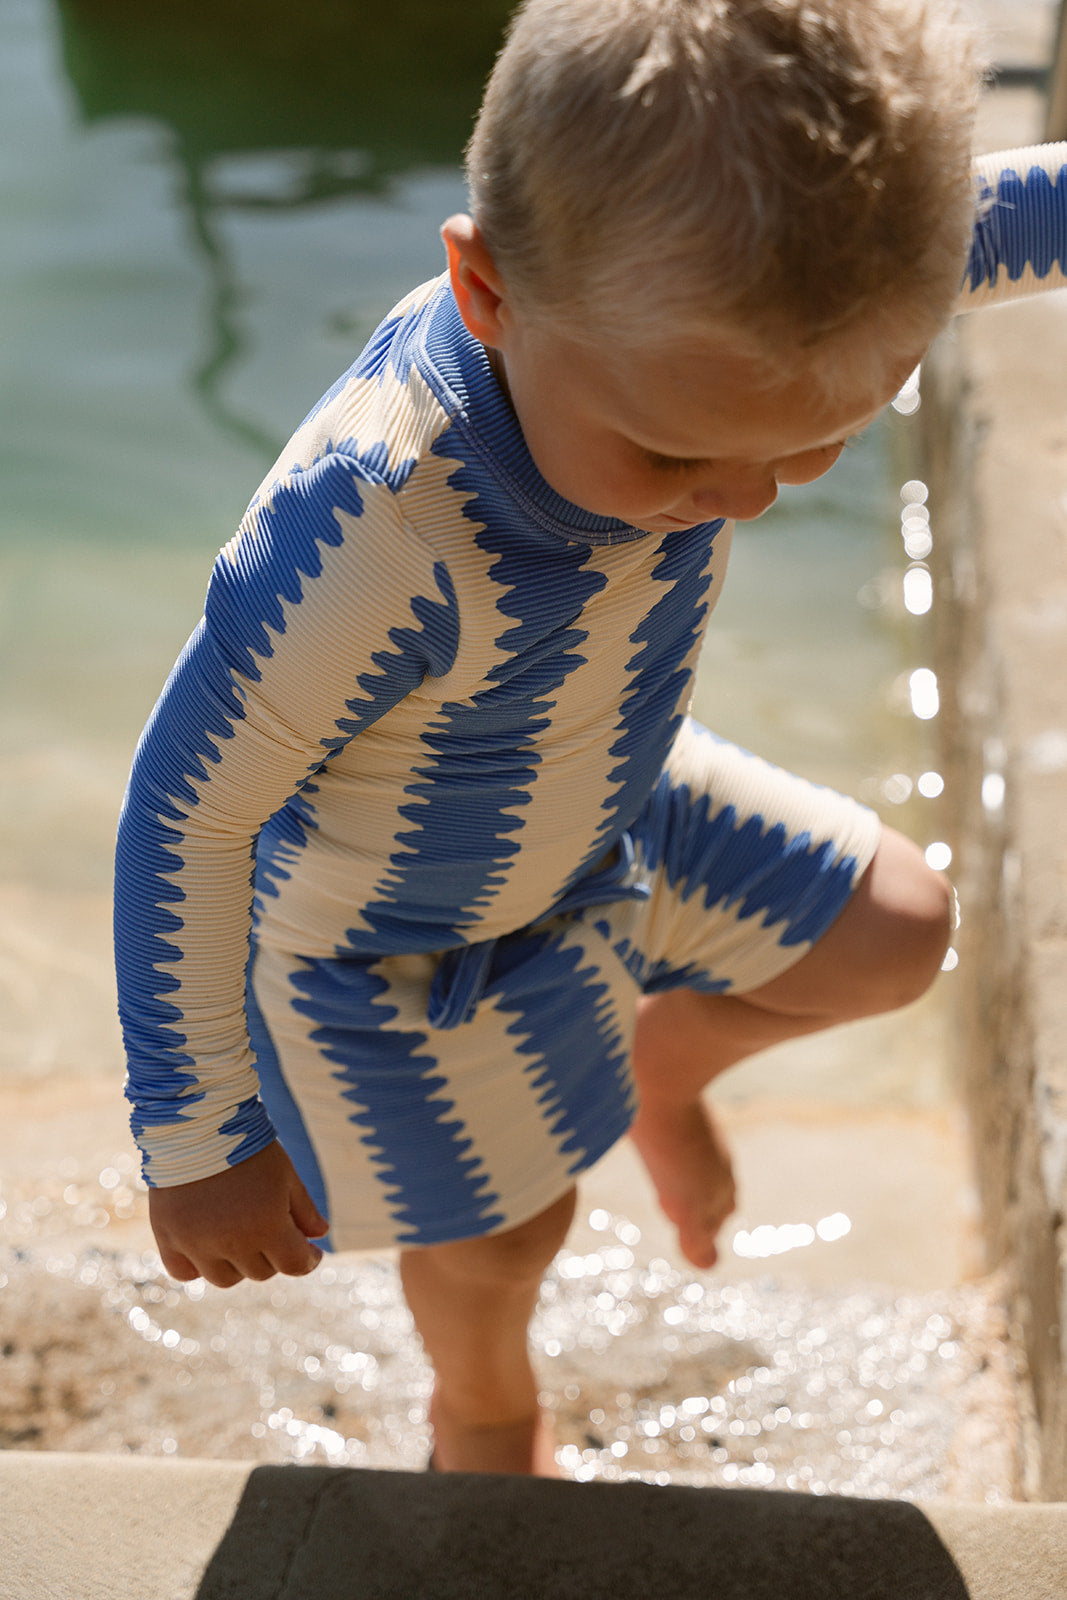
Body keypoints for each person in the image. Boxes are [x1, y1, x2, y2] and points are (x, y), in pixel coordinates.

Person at [114, 0, 979, 1476]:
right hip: (390, 955)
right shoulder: (373, 526)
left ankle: (657, 1063)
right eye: (677, 454)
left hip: (609, 808)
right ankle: (484, 1409)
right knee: (513, 1224)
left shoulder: (684, 326)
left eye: (812, 442)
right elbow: (186, 813)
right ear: (488, 288)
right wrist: (196, 1137)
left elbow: (998, 217)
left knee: (897, 930)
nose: (746, 499)